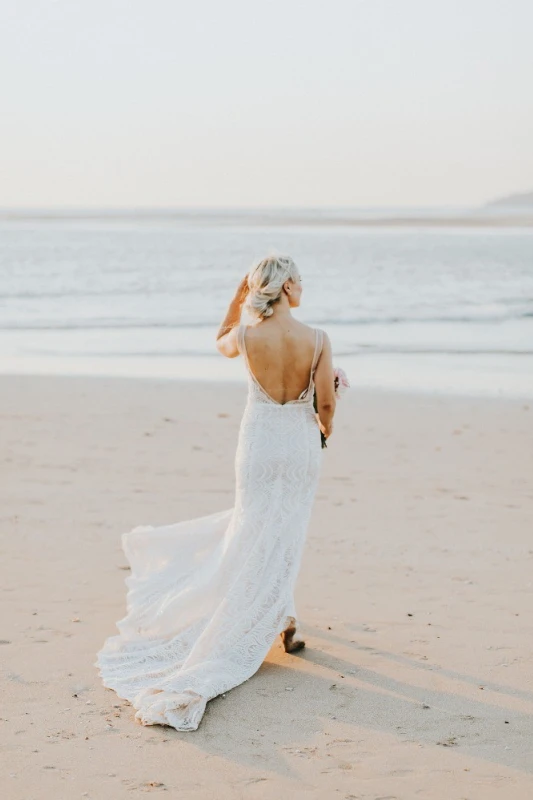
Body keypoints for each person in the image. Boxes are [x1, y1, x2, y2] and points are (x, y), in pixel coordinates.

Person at [94, 253, 336, 731]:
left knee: (252, 527)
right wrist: (324, 431)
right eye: (301, 282)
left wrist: (236, 298)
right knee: (286, 533)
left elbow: (219, 341)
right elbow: (325, 400)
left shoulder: (245, 336)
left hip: (260, 445)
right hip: (300, 446)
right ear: (287, 288)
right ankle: (282, 619)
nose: (304, 288)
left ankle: (281, 616)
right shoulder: (318, 339)